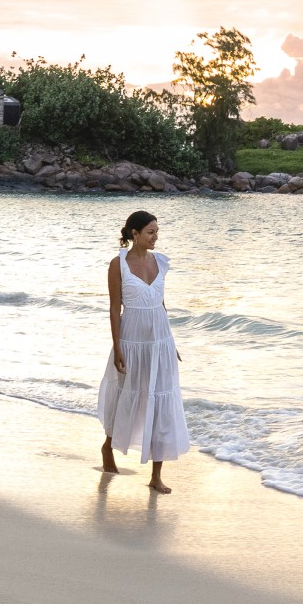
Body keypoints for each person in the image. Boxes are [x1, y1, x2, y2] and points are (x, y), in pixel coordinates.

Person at [98, 210, 191, 492]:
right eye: (150, 232)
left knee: (161, 403)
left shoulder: (160, 262)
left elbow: (161, 304)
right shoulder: (118, 265)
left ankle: (156, 476)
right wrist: (117, 348)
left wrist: (171, 342)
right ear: (134, 234)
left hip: (160, 341)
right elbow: (115, 308)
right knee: (125, 397)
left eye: (157, 232)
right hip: (131, 340)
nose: (155, 237)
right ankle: (108, 446)